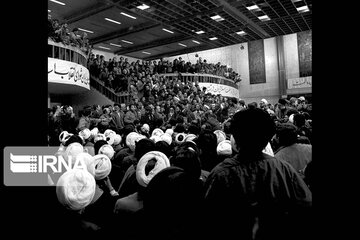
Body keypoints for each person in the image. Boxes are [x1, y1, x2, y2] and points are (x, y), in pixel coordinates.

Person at [203, 108, 312, 240]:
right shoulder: (283, 169)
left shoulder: (220, 174)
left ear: (235, 137)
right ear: (267, 139)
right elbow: (305, 208)